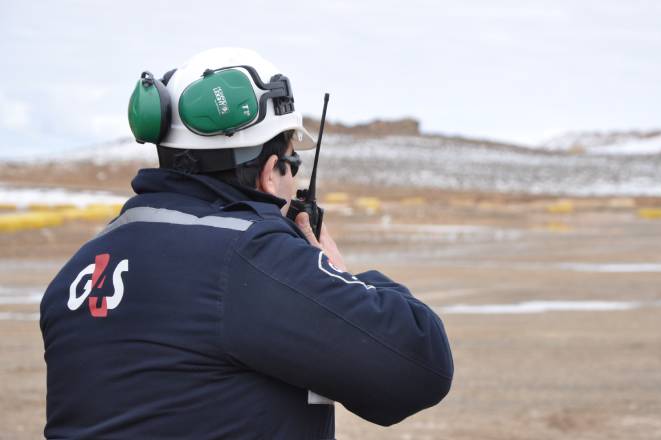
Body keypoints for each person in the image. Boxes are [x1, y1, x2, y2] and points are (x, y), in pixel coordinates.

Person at [39, 47, 453, 439]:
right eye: (293, 163)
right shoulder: (250, 256)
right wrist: (335, 272)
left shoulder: (79, 269)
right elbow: (420, 363)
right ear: (271, 172)